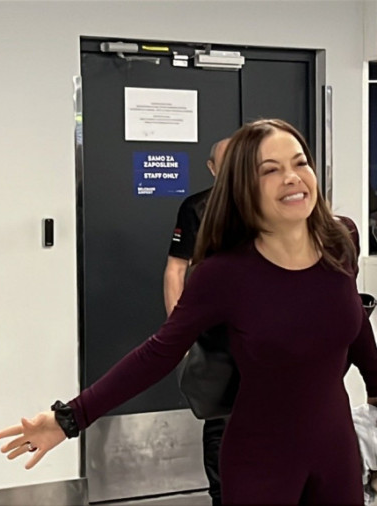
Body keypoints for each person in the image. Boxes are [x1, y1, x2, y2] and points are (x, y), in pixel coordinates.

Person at [0, 119, 377, 505]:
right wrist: (70, 418)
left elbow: (352, 317)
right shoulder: (224, 273)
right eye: (270, 170)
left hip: (336, 453)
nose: (292, 177)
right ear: (243, 187)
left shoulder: (340, 239)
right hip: (262, 459)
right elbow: (157, 353)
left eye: (300, 162)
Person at [163, 137, 229, 506]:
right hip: (216, 332)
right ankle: (221, 496)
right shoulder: (197, 208)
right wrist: (180, 333)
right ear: (212, 168)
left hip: (267, 332)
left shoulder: (274, 204)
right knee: (220, 419)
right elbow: (176, 269)